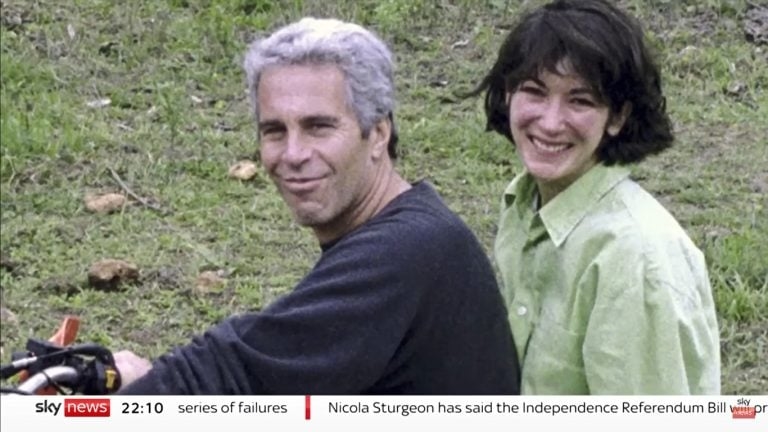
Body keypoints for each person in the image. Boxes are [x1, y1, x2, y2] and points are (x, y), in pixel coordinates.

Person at [114, 17, 520, 395]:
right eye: (274, 131)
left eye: (319, 127)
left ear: (378, 134)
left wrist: (123, 395)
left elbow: (238, 375)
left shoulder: (408, 249)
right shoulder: (409, 229)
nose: (293, 154)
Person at [466, 0, 720, 394]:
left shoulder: (635, 258)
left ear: (618, 117)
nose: (551, 122)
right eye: (534, 92)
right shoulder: (524, 202)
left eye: (580, 101)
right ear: (507, 94)